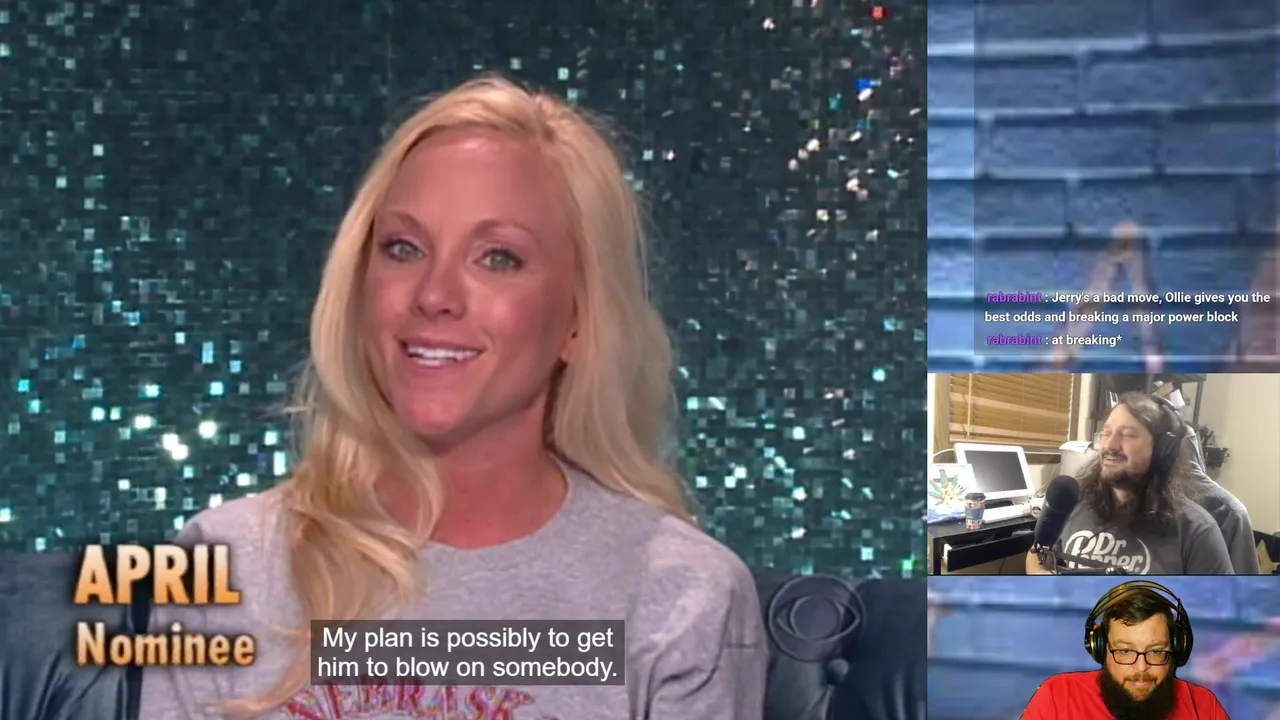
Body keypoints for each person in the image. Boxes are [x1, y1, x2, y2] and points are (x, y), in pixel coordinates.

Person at [137, 74, 767, 719]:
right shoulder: (226, 566)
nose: (435, 295)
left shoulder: (679, 597)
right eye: (403, 248)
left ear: (579, 318)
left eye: (498, 258)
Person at [1025, 392, 1233, 575]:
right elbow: (1037, 552)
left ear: (1163, 450)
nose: (1110, 445)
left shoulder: (1197, 532)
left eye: (1127, 434)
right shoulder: (1074, 503)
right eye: (1106, 433)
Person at [1022, 581, 1229, 720]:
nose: (1141, 668)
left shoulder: (1203, 706)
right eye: (1125, 651)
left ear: (1176, 648)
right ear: (1100, 648)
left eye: (1156, 651)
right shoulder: (1057, 698)